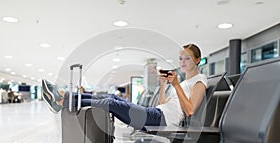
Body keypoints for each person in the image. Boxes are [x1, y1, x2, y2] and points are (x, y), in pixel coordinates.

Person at [42, 44, 207, 130]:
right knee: (113, 98)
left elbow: (190, 110)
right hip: (158, 114)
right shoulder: (184, 83)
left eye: (187, 58)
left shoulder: (200, 81)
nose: (182, 62)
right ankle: (64, 97)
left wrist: (176, 85)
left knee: (112, 103)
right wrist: (164, 86)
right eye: (181, 58)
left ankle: (62, 100)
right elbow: (162, 104)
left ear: (198, 60)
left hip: (162, 120)